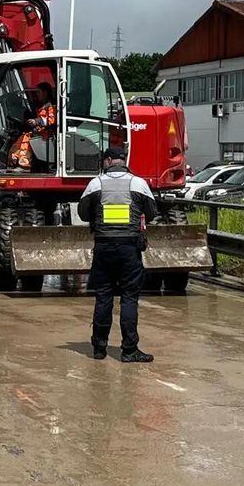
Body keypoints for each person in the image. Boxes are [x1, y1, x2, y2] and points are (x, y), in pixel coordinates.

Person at [78, 145, 156, 362]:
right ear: (123, 161)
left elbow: (83, 213)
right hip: (129, 248)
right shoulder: (138, 183)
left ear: (108, 161)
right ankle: (129, 351)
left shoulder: (96, 183)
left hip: (104, 247)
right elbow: (151, 213)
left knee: (103, 296)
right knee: (129, 298)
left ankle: (99, 348)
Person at [9, 81, 56, 171]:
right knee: (21, 138)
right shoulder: (40, 107)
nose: (36, 94)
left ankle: (24, 165)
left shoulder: (51, 106)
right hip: (40, 133)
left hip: (46, 136)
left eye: (38, 92)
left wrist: (36, 121)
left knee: (26, 139)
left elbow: (51, 120)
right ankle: (14, 161)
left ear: (45, 93)